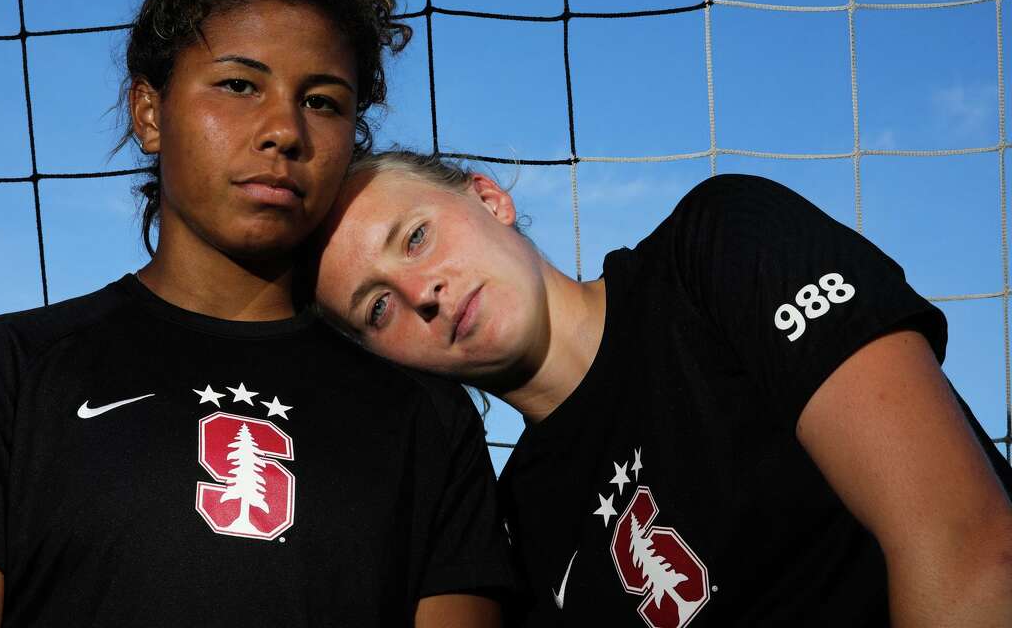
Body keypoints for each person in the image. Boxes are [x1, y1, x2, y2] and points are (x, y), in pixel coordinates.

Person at [0, 0, 513, 626]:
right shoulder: (10, 375)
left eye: (323, 100)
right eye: (238, 85)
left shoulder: (423, 417)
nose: (282, 130)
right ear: (150, 112)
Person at [313, 150, 1012, 627]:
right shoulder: (516, 537)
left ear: (489, 198)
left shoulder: (717, 250)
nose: (419, 291)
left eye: (416, 237)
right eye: (376, 308)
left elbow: (968, 547)